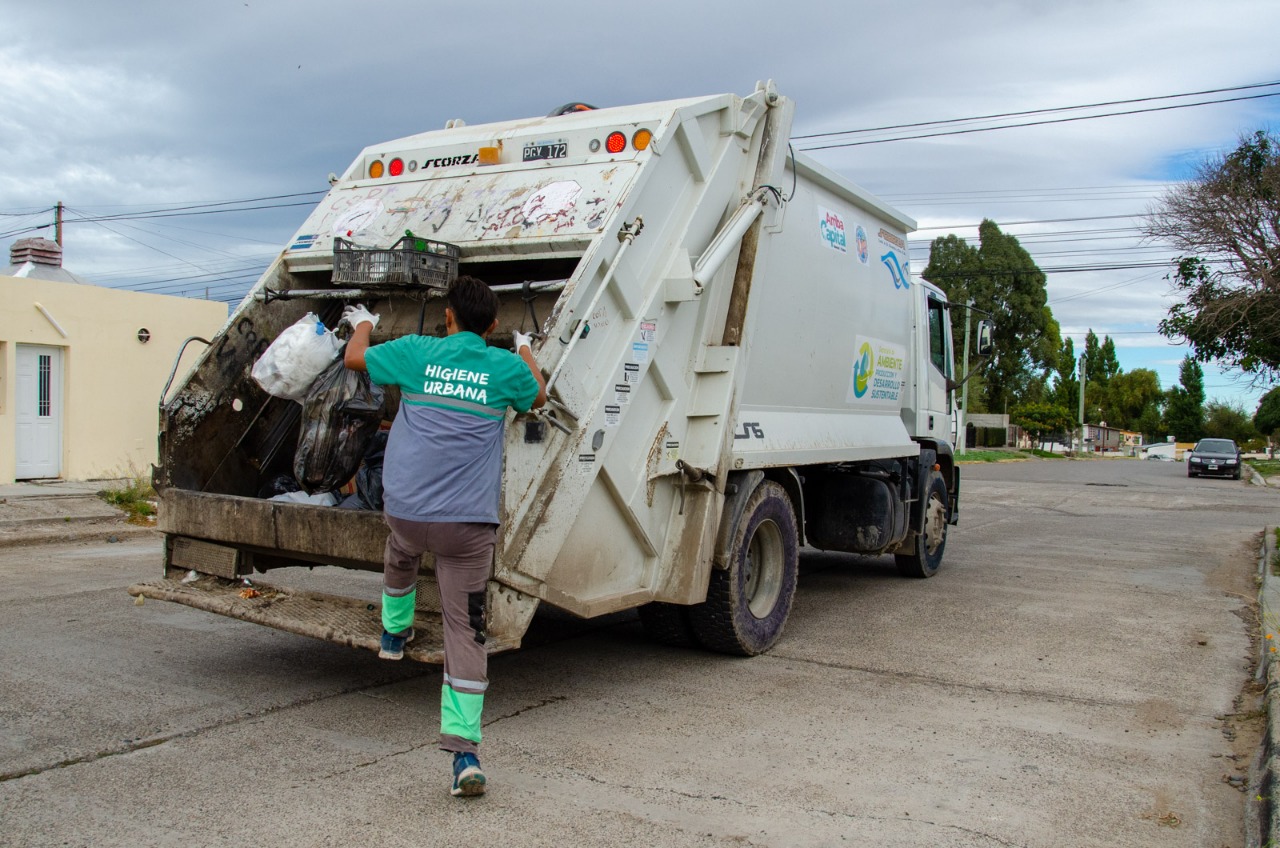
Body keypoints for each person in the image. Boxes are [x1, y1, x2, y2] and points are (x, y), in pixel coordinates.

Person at [342, 276, 546, 797]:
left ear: (448, 317)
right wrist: (525, 351)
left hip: (406, 511)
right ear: (493, 327)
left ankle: (393, 635)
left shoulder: (415, 351)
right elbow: (539, 396)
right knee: (464, 628)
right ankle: (465, 756)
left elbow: (354, 360)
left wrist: (363, 321)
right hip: (466, 527)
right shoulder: (503, 368)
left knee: (402, 550)